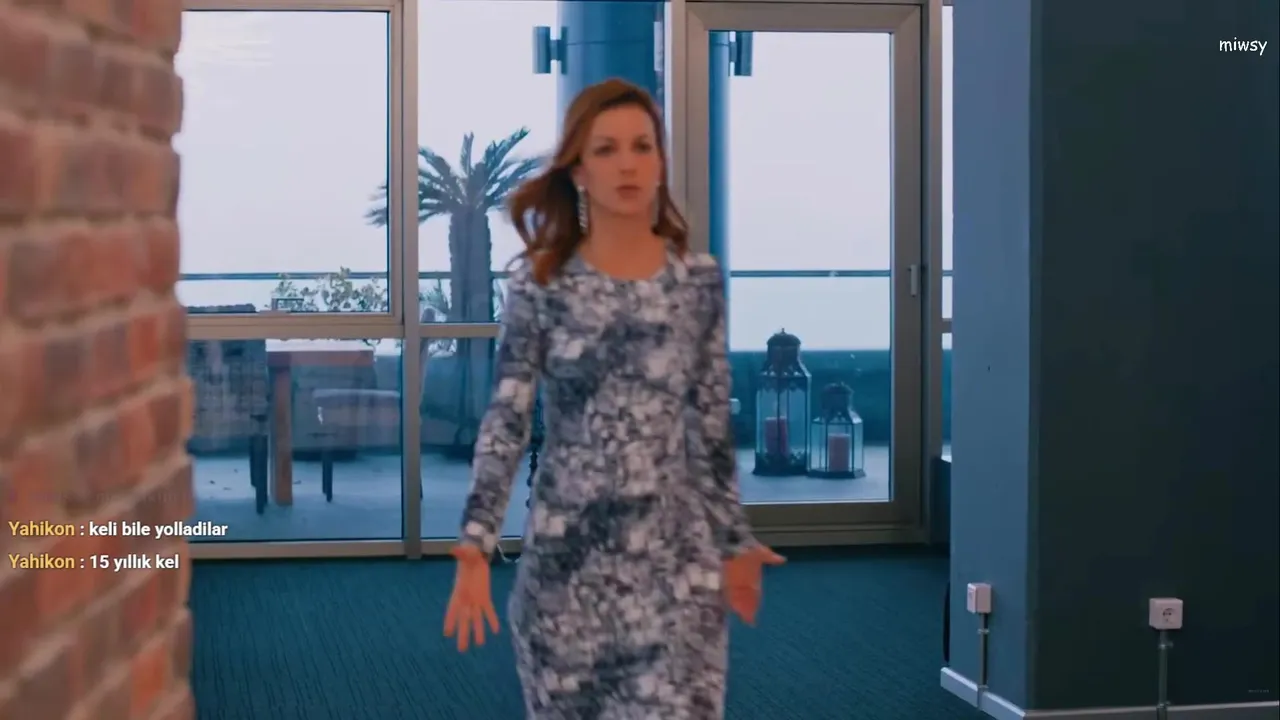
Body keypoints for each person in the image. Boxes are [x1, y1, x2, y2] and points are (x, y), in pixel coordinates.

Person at [443, 77, 785, 719]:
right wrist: (475, 542)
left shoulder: (697, 283)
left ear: (660, 163)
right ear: (577, 171)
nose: (627, 163)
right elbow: (507, 419)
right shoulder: (541, 285)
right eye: (606, 149)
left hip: (677, 578)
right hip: (569, 575)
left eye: (641, 146)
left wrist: (734, 540)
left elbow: (710, 426)